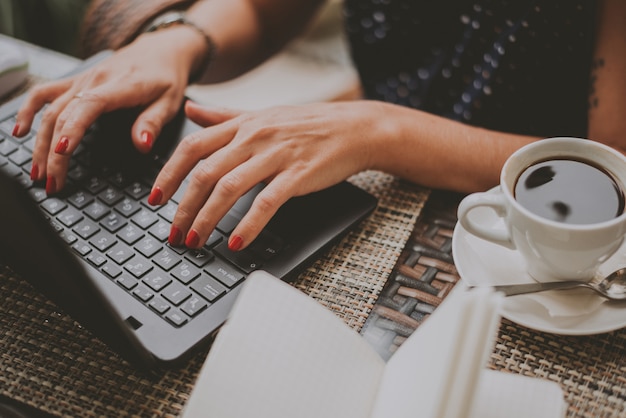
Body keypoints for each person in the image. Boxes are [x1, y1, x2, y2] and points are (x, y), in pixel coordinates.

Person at [11, 0, 626, 252]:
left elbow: (610, 158)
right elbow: (262, 10)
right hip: (371, 148)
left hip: (535, 215)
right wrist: (179, 42)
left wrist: (380, 130)